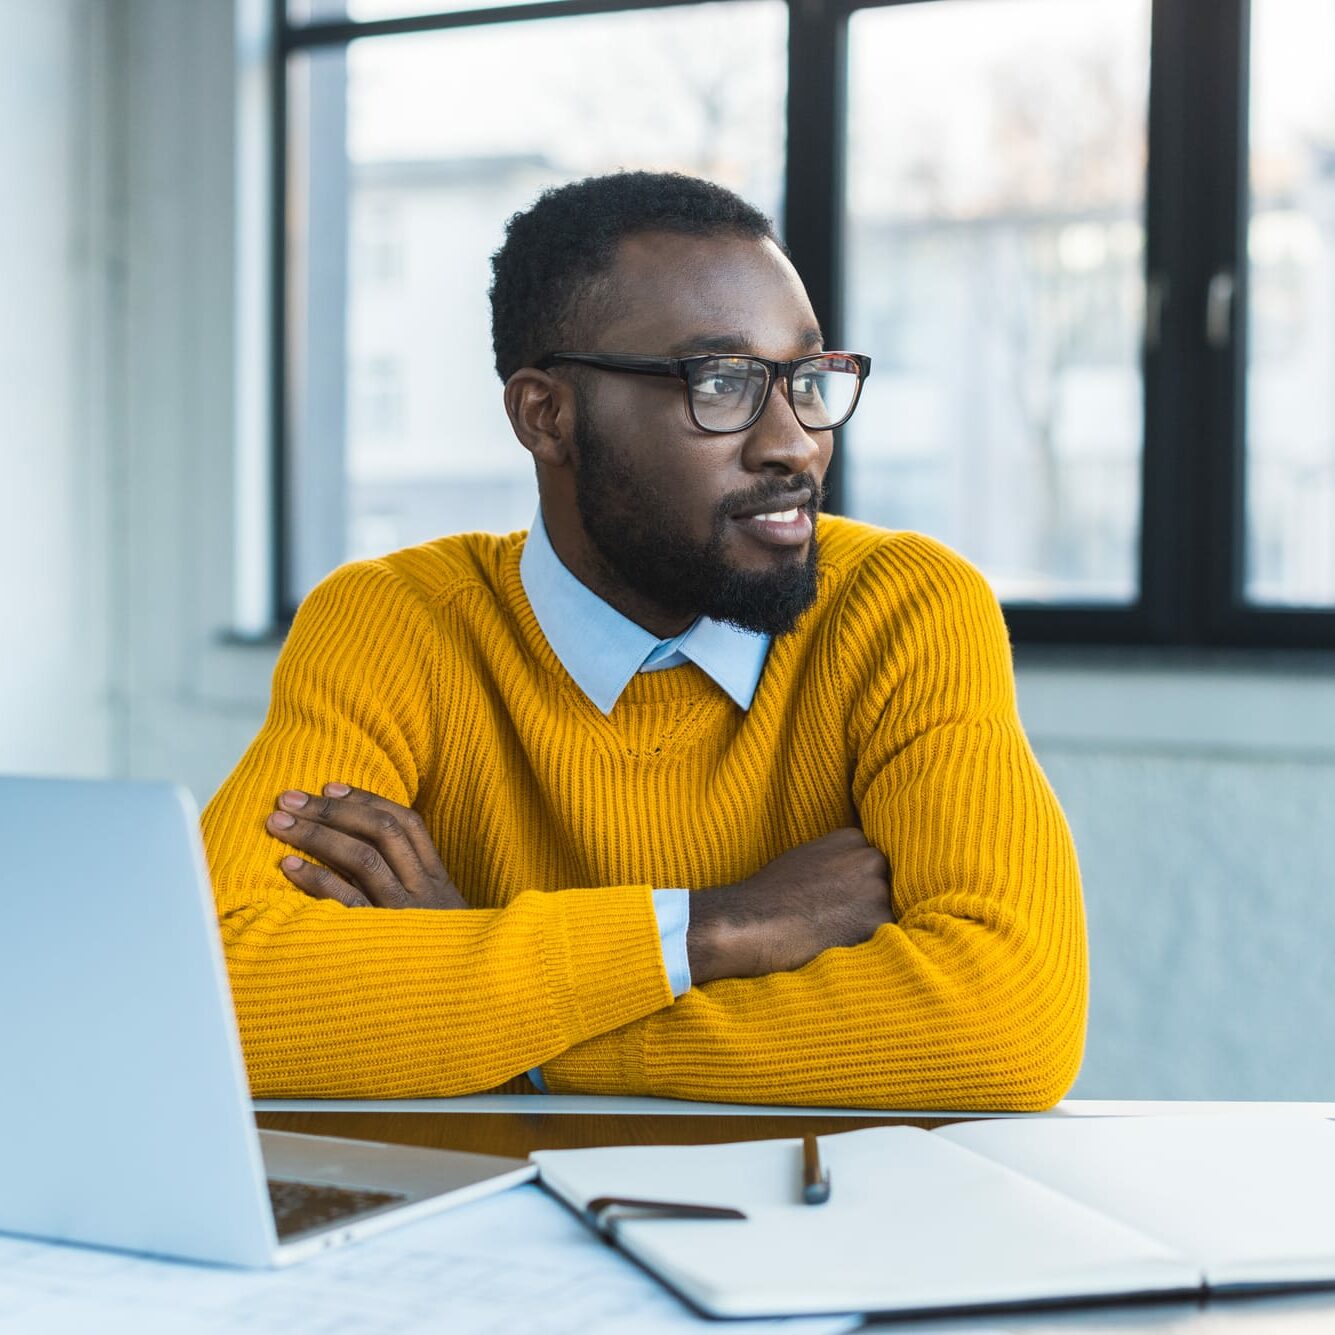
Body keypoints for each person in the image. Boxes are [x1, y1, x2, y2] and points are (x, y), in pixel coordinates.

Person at [203, 171, 1087, 1108]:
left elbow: (1004, 1020)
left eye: (808, 379)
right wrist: (714, 928)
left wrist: (503, 1028)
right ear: (546, 416)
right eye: (722, 382)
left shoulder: (903, 609)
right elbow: (208, 984)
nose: (795, 444)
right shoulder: (395, 621)